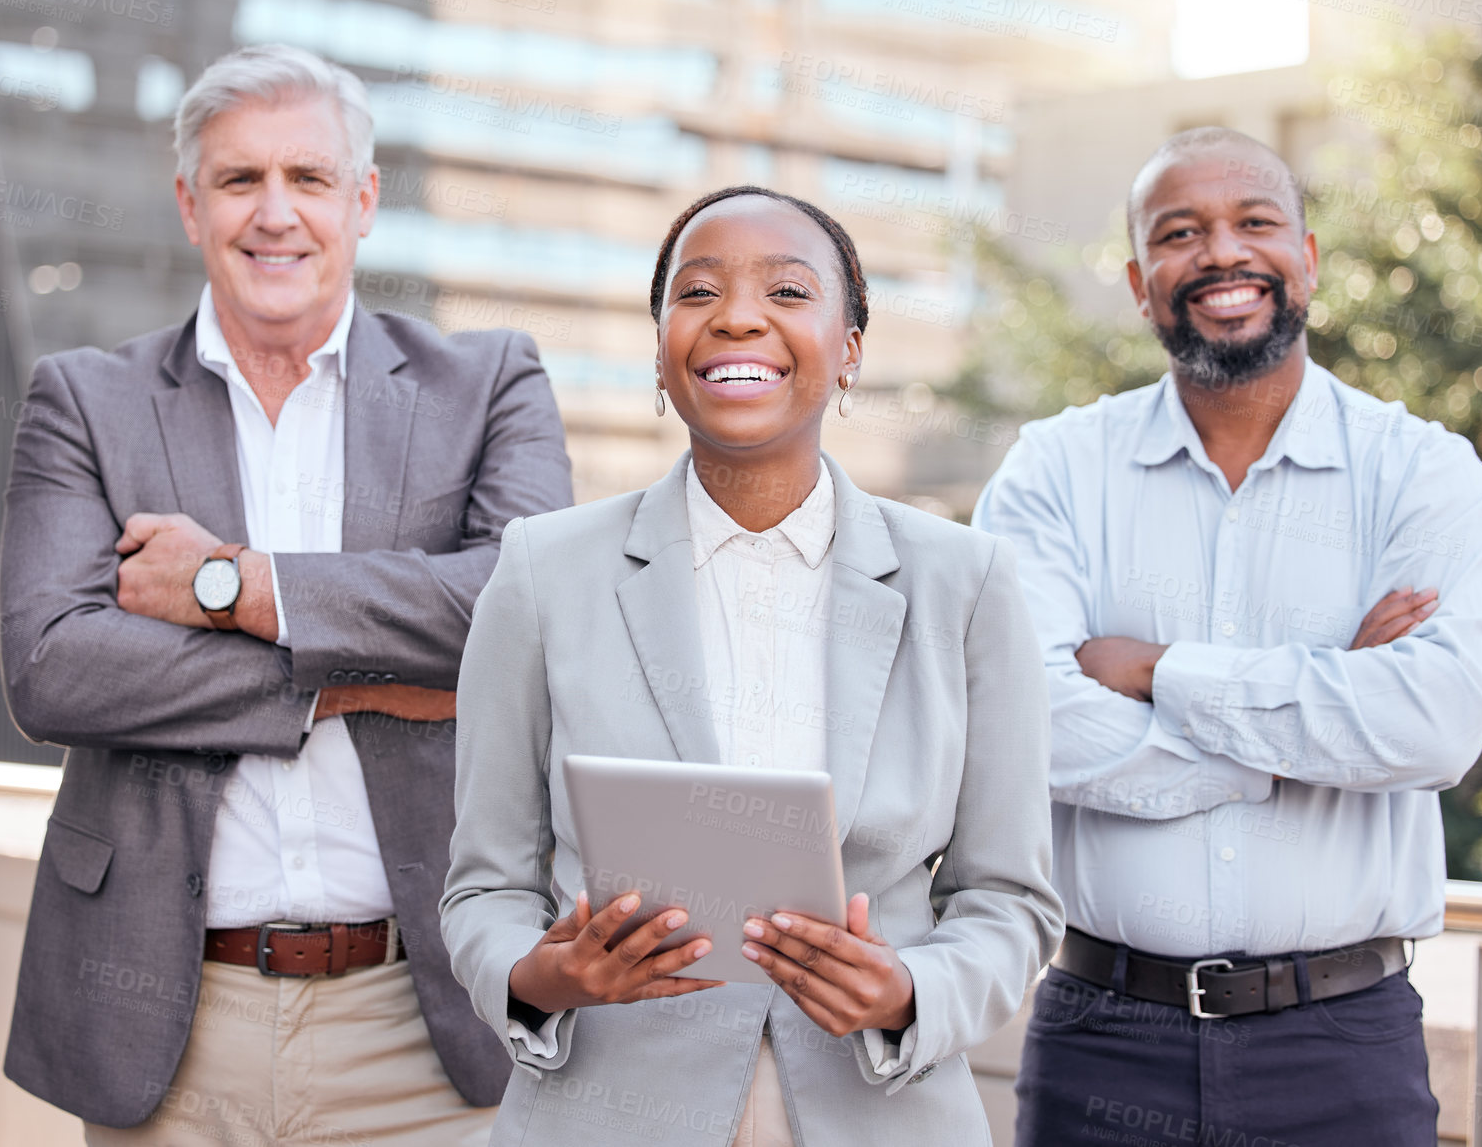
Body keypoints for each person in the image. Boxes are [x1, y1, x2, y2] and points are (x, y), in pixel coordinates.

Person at [0, 43, 573, 1145]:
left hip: (423, 1020)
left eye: (308, 179)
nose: (275, 213)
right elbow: (53, 667)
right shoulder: (84, 399)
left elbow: (518, 608)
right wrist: (349, 686)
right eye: (239, 178)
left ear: (362, 203)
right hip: (161, 1021)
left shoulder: (488, 382)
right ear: (188, 204)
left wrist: (231, 582)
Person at [440, 184, 1064, 1146]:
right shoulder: (542, 572)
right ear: (659, 351)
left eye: (785, 290)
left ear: (849, 348)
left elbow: (1007, 897)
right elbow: (486, 885)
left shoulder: (966, 582)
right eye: (696, 294)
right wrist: (542, 977)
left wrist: (909, 989)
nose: (737, 317)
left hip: (880, 1112)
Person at [973, 127, 1482, 1146]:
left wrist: (1156, 668)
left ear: (1306, 257)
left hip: (1342, 1046)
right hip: (1102, 1038)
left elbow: (1432, 728)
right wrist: (1314, 714)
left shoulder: (1422, 474)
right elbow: (1019, 725)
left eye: (1254, 222)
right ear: (1139, 283)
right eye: (1180, 232)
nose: (1221, 252)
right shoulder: (1052, 470)